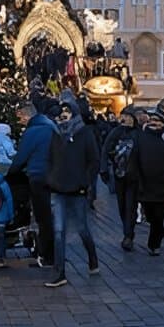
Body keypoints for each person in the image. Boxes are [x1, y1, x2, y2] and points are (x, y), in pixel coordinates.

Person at [43, 101, 100, 287]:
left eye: (67, 111)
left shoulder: (85, 134)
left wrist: (86, 182)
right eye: (61, 112)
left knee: (82, 229)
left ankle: (92, 257)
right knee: (59, 230)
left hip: (78, 189)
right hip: (58, 188)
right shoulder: (56, 134)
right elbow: (50, 158)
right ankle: (59, 272)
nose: (63, 114)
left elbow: (93, 160)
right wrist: (50, 178)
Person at [7, 103, 58, 267]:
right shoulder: (51, 127)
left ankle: (47, 256)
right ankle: (52, 253)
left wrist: (7, 171)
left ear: (27, 115)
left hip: (38, 176)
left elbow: (21, 158)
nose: (20, 121)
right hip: (54, 176)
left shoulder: (33, 131)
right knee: (50, 217)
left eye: (20, 117)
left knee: (43, 218)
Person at [132, 109, 164, 255]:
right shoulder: (141, 138)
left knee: (159, 214)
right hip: (145, 182)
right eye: (152, 121)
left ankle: (153, 244)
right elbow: (134, 158)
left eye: (158, 121)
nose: (155, 124)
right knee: (150, 214)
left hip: (163, 183)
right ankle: (159, 231)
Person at [101, 108, 139, 249]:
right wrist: (104, 168)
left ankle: (128, 235)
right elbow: (105, 149)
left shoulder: (137, 134)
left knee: (131, 206)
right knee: (122, 205)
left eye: (129, 116)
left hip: (134, 177)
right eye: (124, 116)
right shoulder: (116, 132)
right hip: (119, 175)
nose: (126, 119)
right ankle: (127, 231)